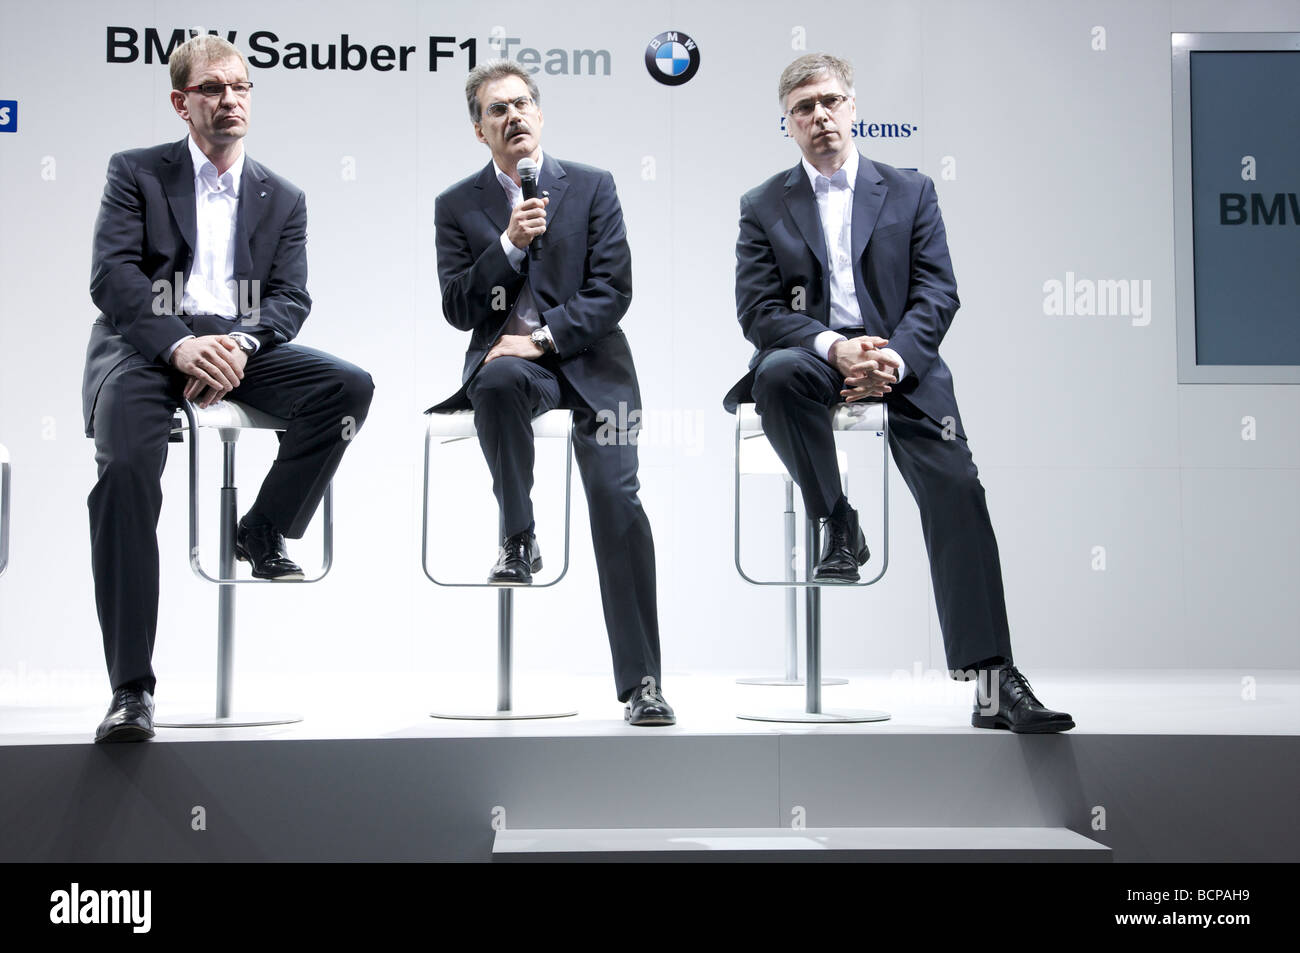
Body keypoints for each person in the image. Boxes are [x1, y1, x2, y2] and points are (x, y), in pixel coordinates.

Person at [724, 53, 1073, 733]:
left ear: (854, 107)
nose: (819, 116)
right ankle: (838, 521)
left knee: (959, 491)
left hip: (903, 365)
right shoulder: (762, 205)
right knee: (773, 374)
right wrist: (834, 345)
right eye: (803, 108)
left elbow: (938, 291)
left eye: (830, 101)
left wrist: (894, 359)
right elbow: (759, 311)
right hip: (816, 358)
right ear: (787, 125)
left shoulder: (911, 190)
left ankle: (995, 680)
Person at [83, 35, 374, 743]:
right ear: (182, 103)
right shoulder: (137, 173)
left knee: (346, 388)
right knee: (124, 470)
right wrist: (180, 344)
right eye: (212, 88)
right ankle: (130, 689)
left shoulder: (284, 196)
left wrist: (238, 347)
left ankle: (261, 528)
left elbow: (289, 299)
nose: (230, 100)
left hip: (234, 348)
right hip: (146, 344)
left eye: (240, 87)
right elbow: (114, 278)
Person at [429, 60, 673, 726]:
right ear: (479, 130)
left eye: (522, 104)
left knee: (618, 503)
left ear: (540, 113)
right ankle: (518, 535)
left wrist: (542, 338)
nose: (513, 117)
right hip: (514, 371)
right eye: (497, 110)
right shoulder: (457, 205)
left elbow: (612, 290)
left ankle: (644, 682)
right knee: (498, 377)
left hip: (594, 367)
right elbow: (457, 306)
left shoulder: (592, 187)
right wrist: (508, 243)